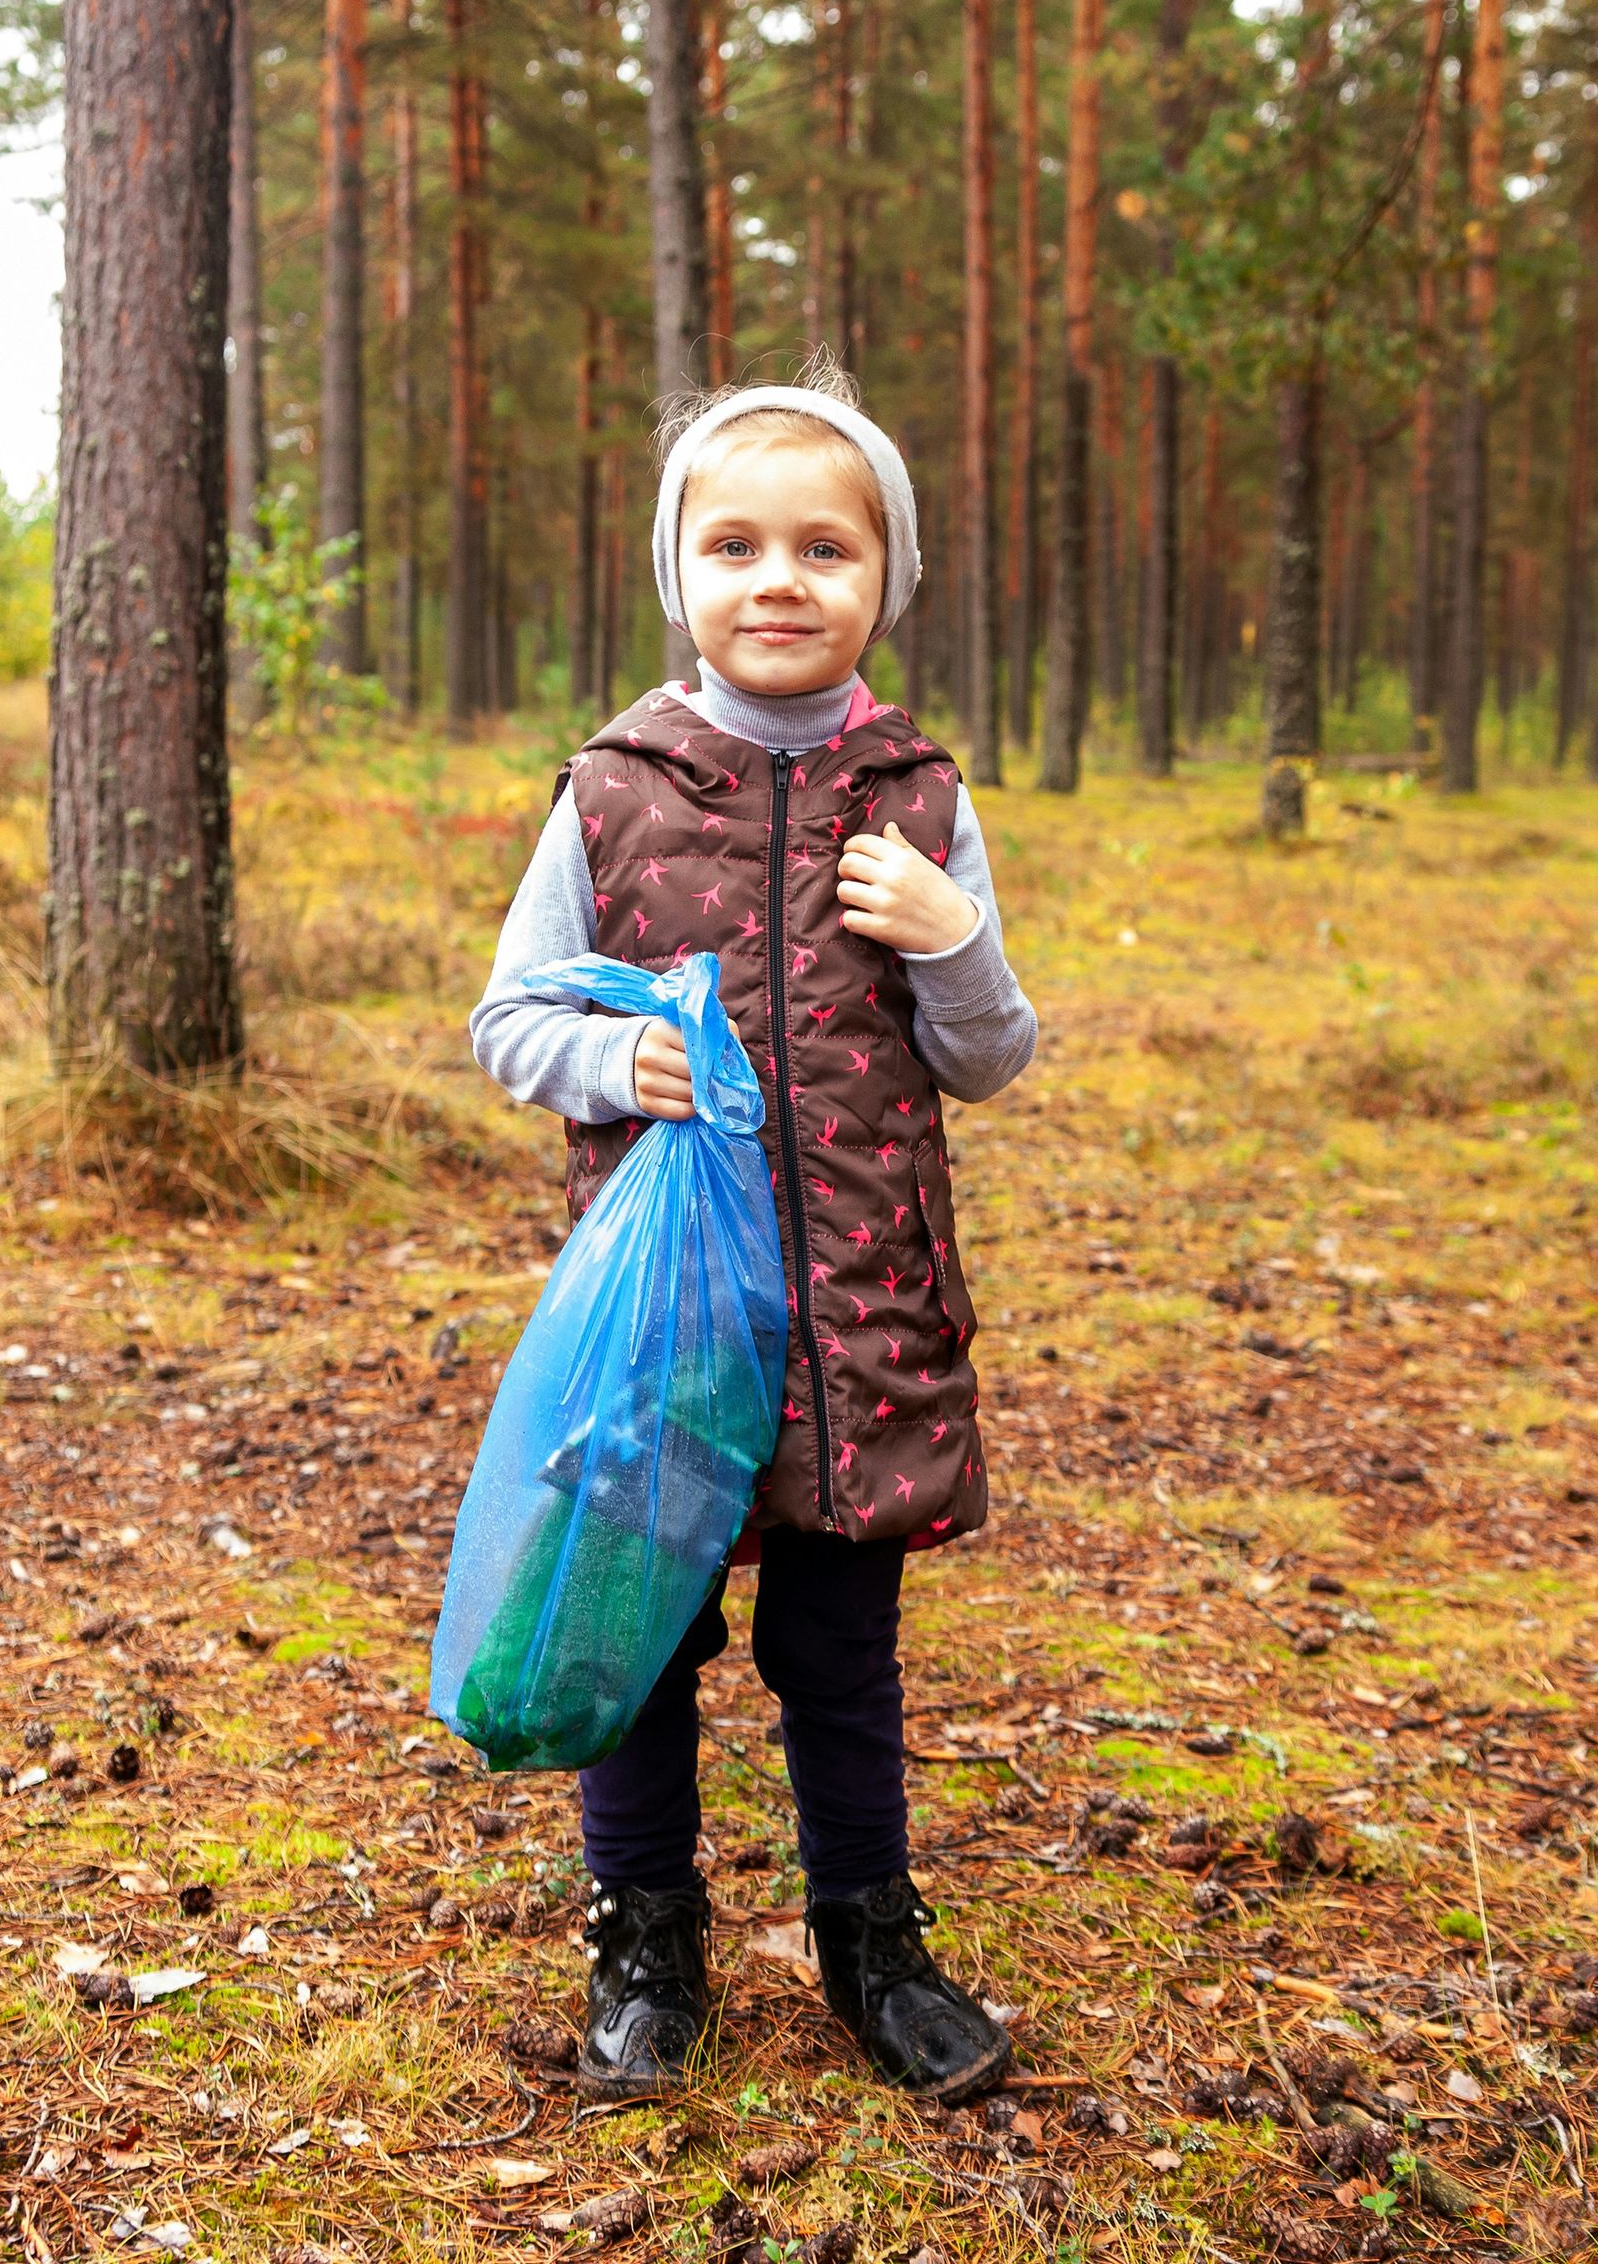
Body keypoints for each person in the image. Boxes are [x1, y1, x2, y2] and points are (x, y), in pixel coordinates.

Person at [464, 364, 1038, 2108]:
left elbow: (989, 1057)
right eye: (734, 545)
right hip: (665, 1327)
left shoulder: (921, 799)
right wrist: (608, 1053)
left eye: (824, 547)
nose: (777, 580)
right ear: (678, 579)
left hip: (861, 1318)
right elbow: (508, 1020)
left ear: (885, 577)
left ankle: (873, 1934)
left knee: (839, 1650)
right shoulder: (618, 790)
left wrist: (948, 939)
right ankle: (646, 1933)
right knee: (638, 1637)